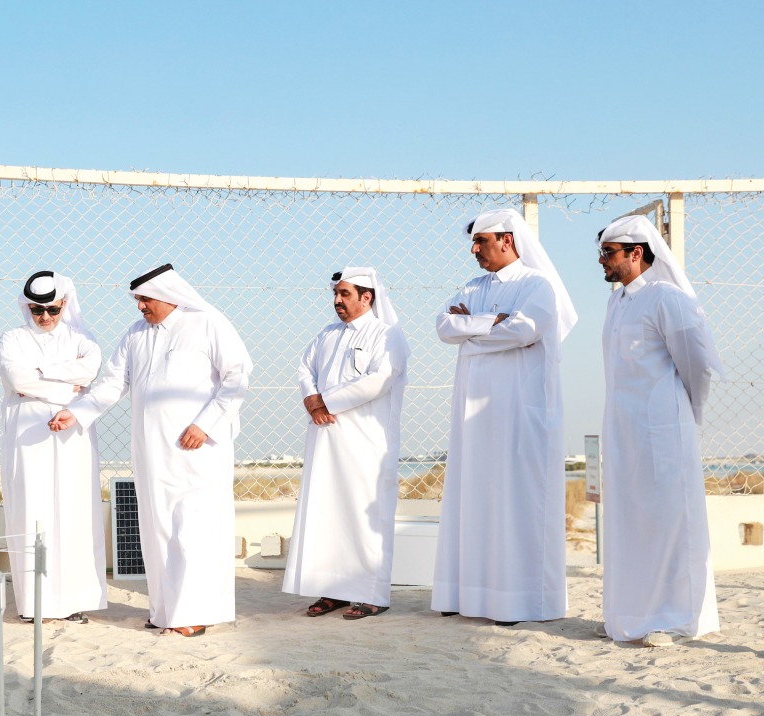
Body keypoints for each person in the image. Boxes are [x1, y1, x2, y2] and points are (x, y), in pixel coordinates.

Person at [48, 263, 251, 637]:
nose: (140, 307)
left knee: (193, 528)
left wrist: (205, 424)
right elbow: (112, 383)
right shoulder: (136, 334)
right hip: (151, 452)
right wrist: (76, 413)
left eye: (145, 299)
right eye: (137, 300)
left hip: (197, 449)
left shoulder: (208, 323)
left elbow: (237, 377)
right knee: (157, 530)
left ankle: (194, 613)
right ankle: (165, 611)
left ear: (169, 296)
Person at [432, 208, 578, 626]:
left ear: (508, 240)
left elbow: (524, 330)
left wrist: (470, 330)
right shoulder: (473, 284)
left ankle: (517, 601)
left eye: (481, 242)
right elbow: (443, 326)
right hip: (473, 413)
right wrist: (487, 325)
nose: (475, 250)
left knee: (515, 501)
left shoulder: (538, 284)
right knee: (472, 496)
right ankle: (466, 594)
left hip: (517, 410)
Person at [597, 214, 722, 646]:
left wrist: (683, 412)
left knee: (670, 520)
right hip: (624, 429)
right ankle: (633, 612)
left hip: (665, 426)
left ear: (637, 253)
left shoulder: (668, 297)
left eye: (608, 253)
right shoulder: (618, 302)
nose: (601, 262)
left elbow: (698, 364)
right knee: (634, 520)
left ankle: (675, 618)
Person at [282, 267, 409, 620]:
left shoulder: (388, 335)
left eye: (345, 294)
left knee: (365, 514)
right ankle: (334, 591)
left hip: (366, 442)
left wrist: (326, 401)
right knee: (328, 512)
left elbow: (378, 381)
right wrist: (311, 399)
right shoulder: (327, 334)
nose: (337, 301)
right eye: (335, 294)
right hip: (325, 438)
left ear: (367, 297)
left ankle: (371, 594)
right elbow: (304, 368)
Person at [0, 271, 107, 623]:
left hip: (71, 436)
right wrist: (66, 387)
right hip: (28, 440)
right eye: (36, 310)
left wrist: (40, 378)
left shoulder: (82, 338)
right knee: (33, 511)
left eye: (52, 310)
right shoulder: (12, 338)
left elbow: (89, 372)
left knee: (74, 511)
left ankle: (73, 602)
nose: (44, 317)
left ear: (64, 304)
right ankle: (35, 605)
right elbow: (17, 379)